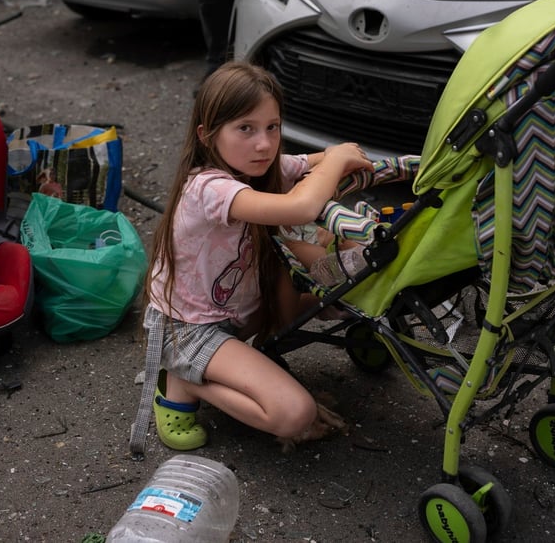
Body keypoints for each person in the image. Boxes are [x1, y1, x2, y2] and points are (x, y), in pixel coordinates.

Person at [128, 62, 372, 455]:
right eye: (246, 128)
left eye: (272, 127)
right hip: (190, 329)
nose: (264, 143)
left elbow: (305, 164)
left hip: (238, 311)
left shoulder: (258, 165)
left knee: (306, 266)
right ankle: (184, 382)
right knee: (295, 414)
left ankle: (334, 306)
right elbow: (301, 207)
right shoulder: (208, 188)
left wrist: (330, 156)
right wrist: (339, 159)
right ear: (207, 136)